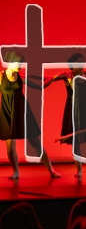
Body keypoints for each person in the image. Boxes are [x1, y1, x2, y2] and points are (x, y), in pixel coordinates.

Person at [0, 51, 61, 179]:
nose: (20, 65)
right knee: (10, 146)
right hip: (8, 113)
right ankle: (16, 172)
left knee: (35, 143)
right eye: (18, 63)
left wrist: (53, 79)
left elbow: (40, 86)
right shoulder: (1, 76)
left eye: (21, 63)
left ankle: (51, 170)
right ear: (10, 62)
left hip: (23, 112)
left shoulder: (20, 76)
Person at [44, 53, 86, 178]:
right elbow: (51, 78)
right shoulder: (67, 75)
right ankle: (79, 170)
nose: (81, 64)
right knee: (76, 141)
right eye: (79, 62)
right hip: (73, 110)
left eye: (83, 62)